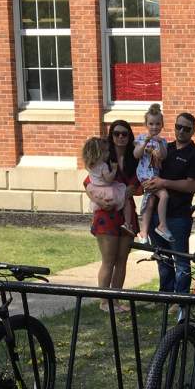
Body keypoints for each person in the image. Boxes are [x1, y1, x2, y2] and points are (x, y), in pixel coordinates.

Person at [145, 112, 195, 293]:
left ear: (193, 130)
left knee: (180, 260)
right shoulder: (165, 148)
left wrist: (163, 182)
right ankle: (165, 294)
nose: (181, 131)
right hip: (156, 213)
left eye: (186, 129)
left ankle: (180, 297)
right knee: (162, 258)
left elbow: (192, 186)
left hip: (178, 216)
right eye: (178, 127)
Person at [84, 120, 140, 306]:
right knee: (108, 259)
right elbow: (87, 182)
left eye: (125, 133)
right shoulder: (103, 156)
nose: (121, 137)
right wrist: (99, 201)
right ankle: (104, 301)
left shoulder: (136, 157)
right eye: (116, 134)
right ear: (112, 136)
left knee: (122, 260)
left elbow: (142, 183)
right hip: (106, 211)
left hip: (127, 211)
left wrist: (136, 189)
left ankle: (115, 300)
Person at [133, 104, 171, 245]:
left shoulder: (162, 141)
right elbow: (136, 154)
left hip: (155, 177)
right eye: (151, 124)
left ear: (162, 125)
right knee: (164, 195)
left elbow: (163, 156)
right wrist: (145, 142)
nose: (154, 127)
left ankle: (143, 232)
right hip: (145, 176)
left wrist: (160, 144)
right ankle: (162, 225)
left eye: (157, 124)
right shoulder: (141, 138)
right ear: (146, 124)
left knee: (150, 203)